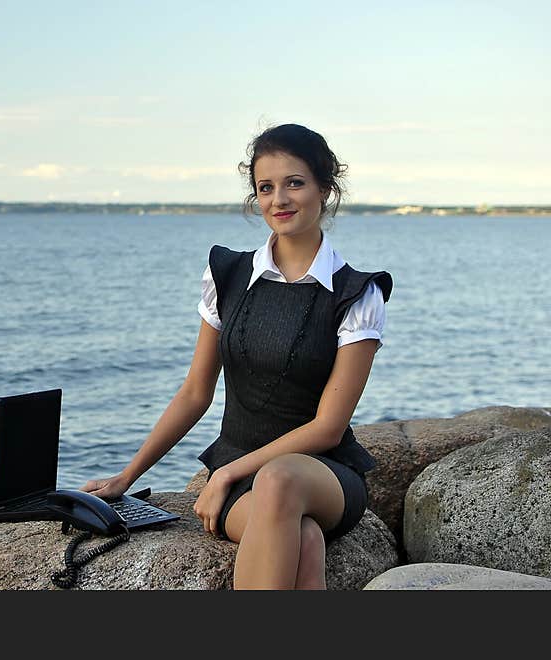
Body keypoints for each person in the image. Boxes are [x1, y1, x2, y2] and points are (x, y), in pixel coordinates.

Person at [82, 123, 392, 590]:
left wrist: (226, 472)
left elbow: (328, 427)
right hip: (242, 479)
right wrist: (127, 475)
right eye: (265, 187)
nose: (279, 200)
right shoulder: (227, 275)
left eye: (295, 183)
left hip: (321, 476)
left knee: (280, 480)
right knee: (303, 540)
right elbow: (194, 393)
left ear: (325, 189)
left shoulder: (356, 294)